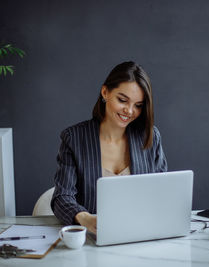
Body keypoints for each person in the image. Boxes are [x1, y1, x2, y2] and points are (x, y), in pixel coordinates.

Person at [51, 61, 167, 233]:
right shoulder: (74, 138)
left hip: (141, 234)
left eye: (138, 105)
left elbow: (162, 191)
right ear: (105, 92)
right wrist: (85, 218)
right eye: (122, 100)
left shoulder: (149, 136)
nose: (129, 110)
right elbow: (62, 197)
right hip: (93, 236)